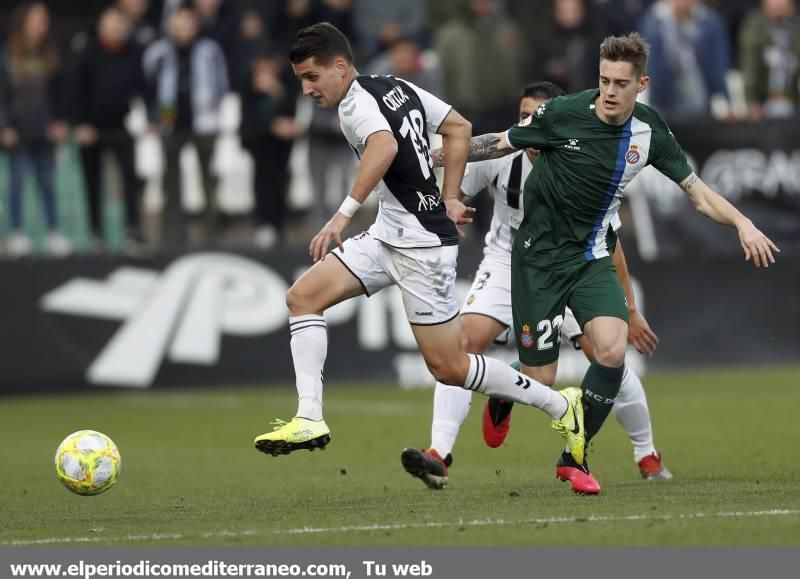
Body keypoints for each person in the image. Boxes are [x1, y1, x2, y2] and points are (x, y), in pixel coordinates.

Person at [457, 32, 779, 494]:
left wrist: (743, 223)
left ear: (641, 83)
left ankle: (574, 456)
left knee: (611, 349)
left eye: (621, 83)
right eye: (604, 80)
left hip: (590, 257)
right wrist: (433, 153)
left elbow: (698, 193)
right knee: (540, 379)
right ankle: (505, 399)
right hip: (537, 260)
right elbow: (498, 143)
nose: (609, 91)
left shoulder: (648, 133)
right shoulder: (562, 112)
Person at [253, 23, 586, 464]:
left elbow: (384, 146)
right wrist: (449, 196)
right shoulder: (395, 86)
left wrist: (341, 216)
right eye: (300, 80)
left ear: (339, 66)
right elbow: (458, 126)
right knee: (302, 298)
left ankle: (562, 406)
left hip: (420, 246)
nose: (307, 88)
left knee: (450, 366)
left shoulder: (355, 105)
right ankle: (310, 416)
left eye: (312, 76)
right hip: (391, 233)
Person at [402, 82, 671, 494]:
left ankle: (646, 452)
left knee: (608, 356)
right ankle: (439, 454)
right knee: (464, 344)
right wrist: (448, 201)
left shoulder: (584, 160)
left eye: (539, 114)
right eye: (524, 114)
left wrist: (629, 309)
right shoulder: (503, 153)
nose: (531, 123)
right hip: (507, 261)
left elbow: (609, 243)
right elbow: (454, 176)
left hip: (571, 266)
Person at [143, 6, 229, 250]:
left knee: (208, 181)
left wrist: (210, 108)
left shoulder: (209, 51)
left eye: (188, 23)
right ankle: (171, 240)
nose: (183, 28)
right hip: (170, 124)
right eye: (177, 23)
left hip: (204, 124)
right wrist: (154, 117)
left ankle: (212, 240)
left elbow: (222, 85)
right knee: (170, 183)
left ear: (196, 24)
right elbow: (148, 90)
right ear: (169, 25)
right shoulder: (158, 52)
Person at [69, 7, 147, 252]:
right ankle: (96, 233)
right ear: (101, 27)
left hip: (122, 126)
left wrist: (147, 120)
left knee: (130, 179)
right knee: (93, 181)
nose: (116, 30)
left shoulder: (133, 52)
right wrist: (79, 124)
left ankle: (132, 230)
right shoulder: (87, 52)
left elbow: (144, 89)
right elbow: (74, 90)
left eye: (120, 25)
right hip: (91, 128)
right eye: (111, 25)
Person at [0, 1, 70, 257]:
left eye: (45, 18)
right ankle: (17, 233)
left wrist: (60, 121)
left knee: (48, 182)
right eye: (36, 18)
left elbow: (60, 93)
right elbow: (2, 95)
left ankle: (54, 232)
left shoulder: (50, 54)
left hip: (45, 132)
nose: (42, 23)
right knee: (16, 183)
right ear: (24, 22)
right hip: (17, 133)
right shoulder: (8, 56)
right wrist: (4, 126)